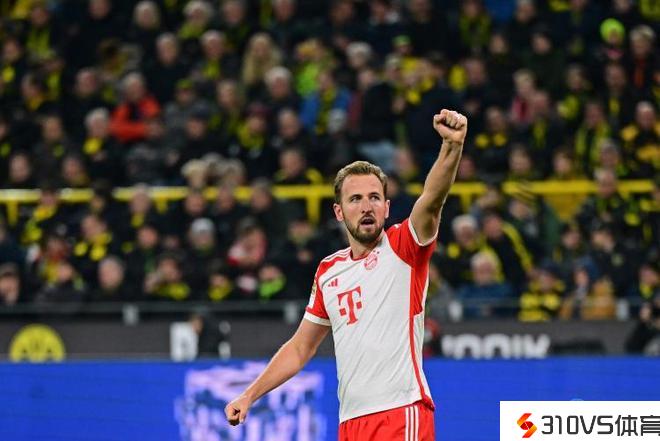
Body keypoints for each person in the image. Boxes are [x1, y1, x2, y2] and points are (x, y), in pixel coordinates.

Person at [225, 109, 468, 439]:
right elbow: (300, 348)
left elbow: (432, 199)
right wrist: (249, 395)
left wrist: (452, 146)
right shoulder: (329, 271)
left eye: (374, 198)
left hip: (401, 411)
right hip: (351, 422)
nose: (366, 206)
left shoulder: (404, 247)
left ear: (386, 207)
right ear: (339, 212)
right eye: (355, 199)